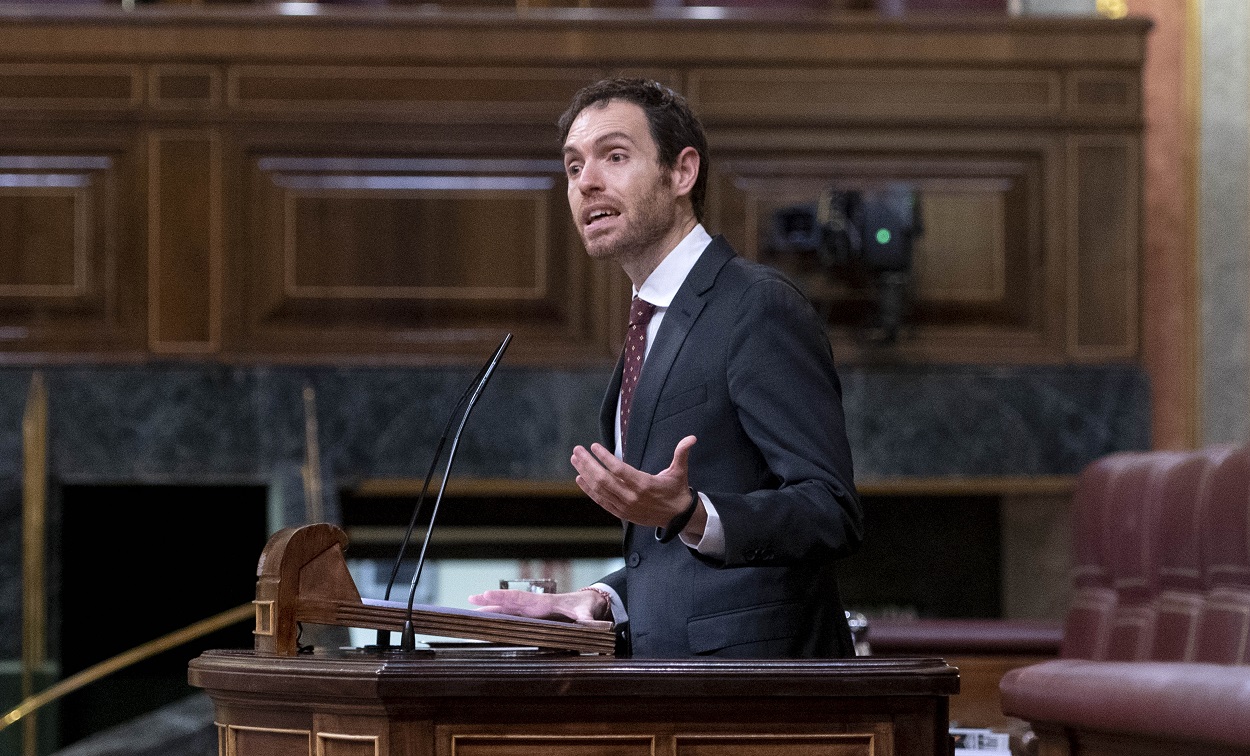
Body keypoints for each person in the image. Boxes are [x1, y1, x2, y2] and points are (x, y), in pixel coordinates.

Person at [469, 77, 863, 658]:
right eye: (574, 167)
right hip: (670, 683)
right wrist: (604, 597)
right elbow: (671, 552)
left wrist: (689, 512)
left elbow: (831, 511)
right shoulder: (647, 321)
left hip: (761, 693)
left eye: (615, 156)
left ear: (682, 173)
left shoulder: (757, 306)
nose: (587, 182)